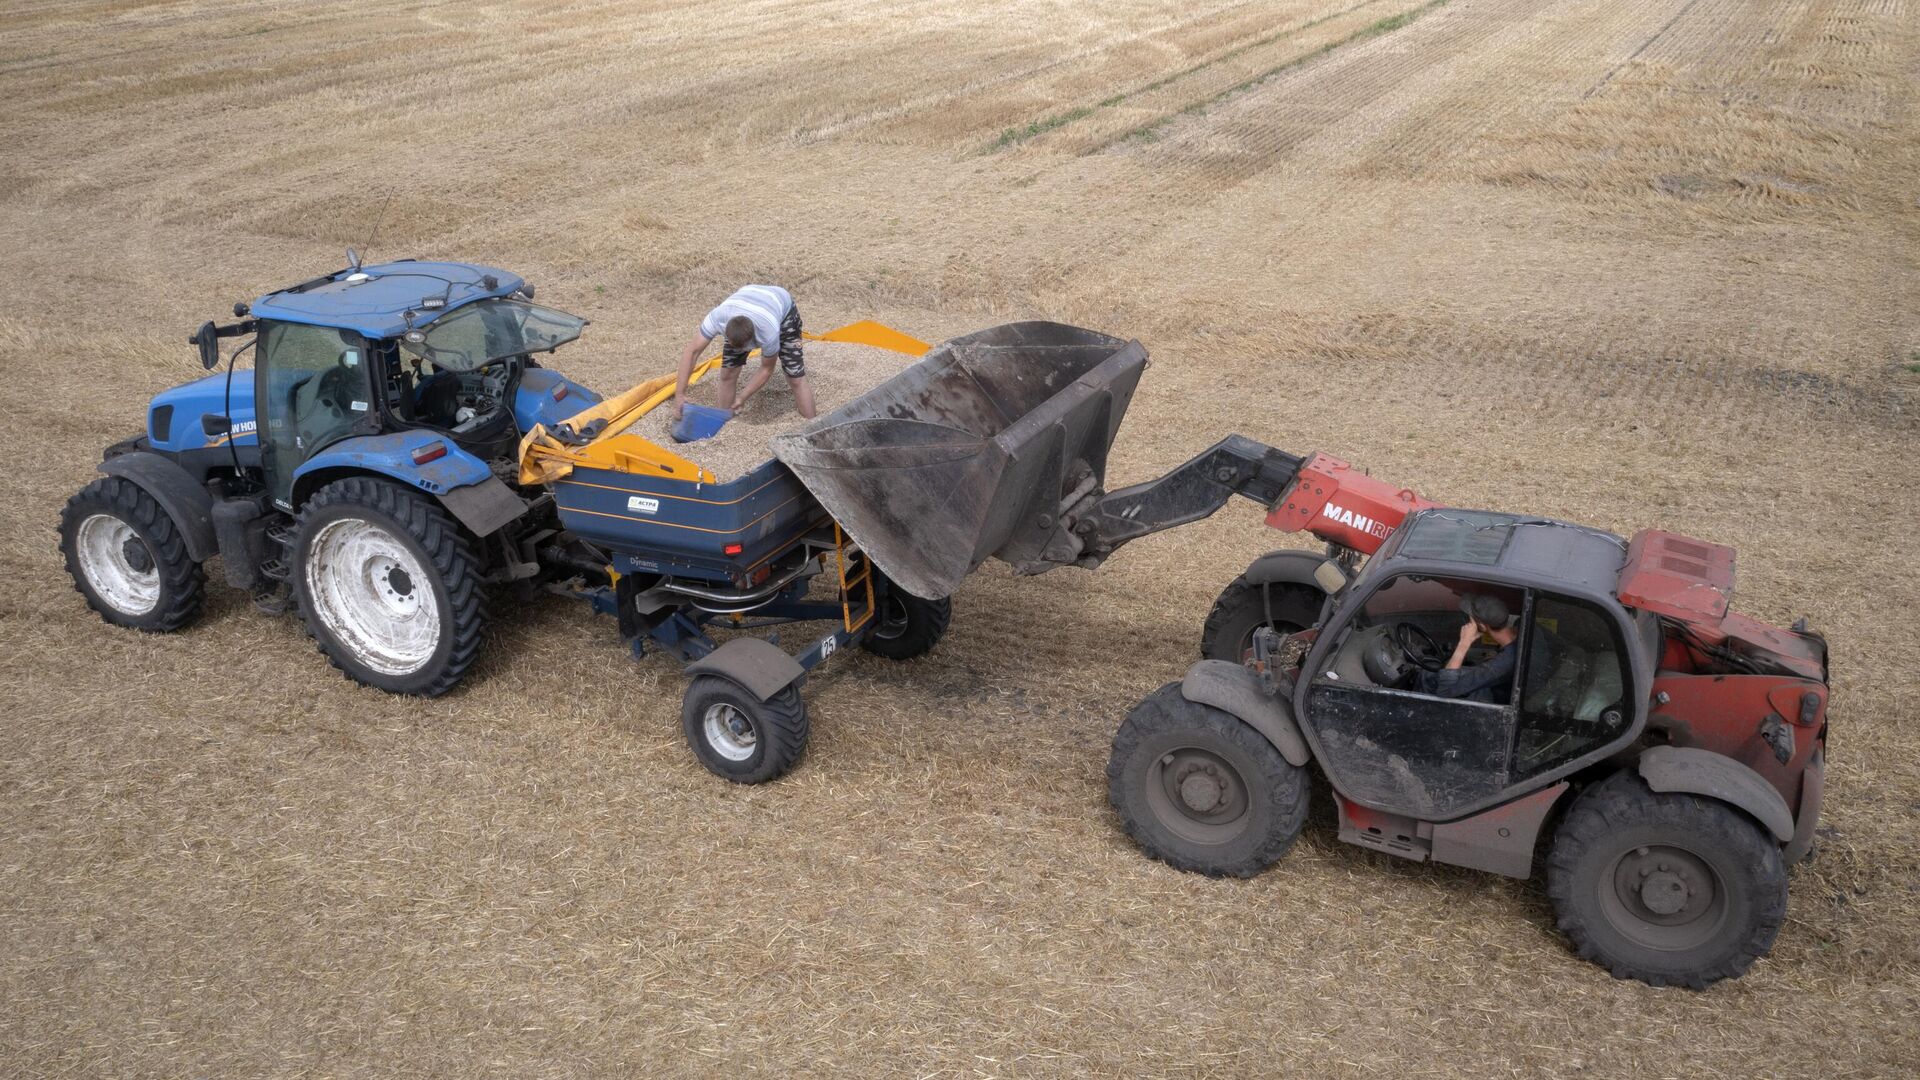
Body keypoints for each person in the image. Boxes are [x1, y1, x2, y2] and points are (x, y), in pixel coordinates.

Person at [673, 284, 814, 420]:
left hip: (783, 308)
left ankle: (813, 426)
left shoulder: (768, 332)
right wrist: (680, 393)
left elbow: (766, 369)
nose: (739, 351)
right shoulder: (717, 318)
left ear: (753, 340)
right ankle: (722, 424)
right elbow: (692, 352)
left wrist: (742, 397)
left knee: (795, 376)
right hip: (746, 299)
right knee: (728, 373)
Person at [1417, 594, 1520, 704]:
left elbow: (1445, 691)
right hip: (1500, 684)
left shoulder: (1499, 666)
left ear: (1482, 626)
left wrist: (1464, 643)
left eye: (1470, 617)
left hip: (1492, 696)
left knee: (1427, 678)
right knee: (1429, 674)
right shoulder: (1521, 628)